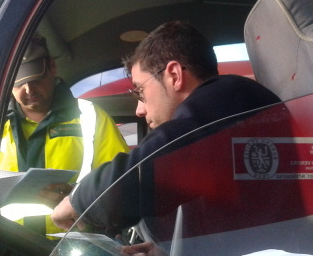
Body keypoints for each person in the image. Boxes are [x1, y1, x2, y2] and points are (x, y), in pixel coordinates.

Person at [51, 21, 280, 233]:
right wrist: (165, 255)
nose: (139, 110)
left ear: (174, 75)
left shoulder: (225, 98)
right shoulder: (226, 110)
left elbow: (155, 162)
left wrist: (79, 200)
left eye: (140, 91)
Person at [0, 34, 129, 235]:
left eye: (35, 78)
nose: (29, 89)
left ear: (52, 67)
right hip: (8, 242)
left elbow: (121, 182)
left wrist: (78, 197)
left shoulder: (91, 116)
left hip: (72, 242)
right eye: (18, 83)